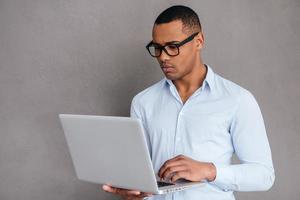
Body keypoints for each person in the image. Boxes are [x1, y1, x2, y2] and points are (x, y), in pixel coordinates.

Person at [102, 5, 275, 200]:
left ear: (199, 41)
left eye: (172, 47)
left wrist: (209, 170)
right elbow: (143, 175)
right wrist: (135, 192)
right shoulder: (143, 102)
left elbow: (264, 175)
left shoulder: (238, 100)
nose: (163, 57)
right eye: (157, 48)